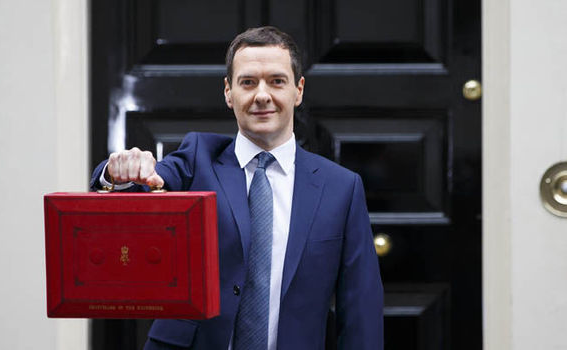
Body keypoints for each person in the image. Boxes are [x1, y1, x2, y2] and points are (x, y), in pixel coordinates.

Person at [90, 26, 383, 350]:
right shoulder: (197, 157)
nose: (262, 95)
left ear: (298, 90)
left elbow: (360, 311)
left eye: (276, 81)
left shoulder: (341, 188)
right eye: (248, 82)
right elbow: (134, 198)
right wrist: (120, 174)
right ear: (229, 92)